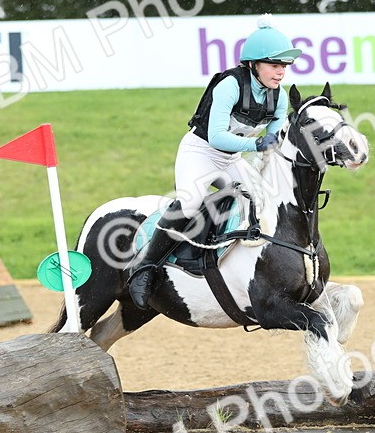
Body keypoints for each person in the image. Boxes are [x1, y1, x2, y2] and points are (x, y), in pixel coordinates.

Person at [126, 16, 298, 308]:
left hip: (232, 159)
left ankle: (235, 264)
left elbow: (271, 144)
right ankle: (144, 269)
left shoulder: (278, 98)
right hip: (201, 152)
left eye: (283, 66)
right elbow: (217, 136)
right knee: (191, 203)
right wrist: (256, 143)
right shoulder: (230, 84)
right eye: (274, 65)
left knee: (260, 199)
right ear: (253, 64)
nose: (280, 72)